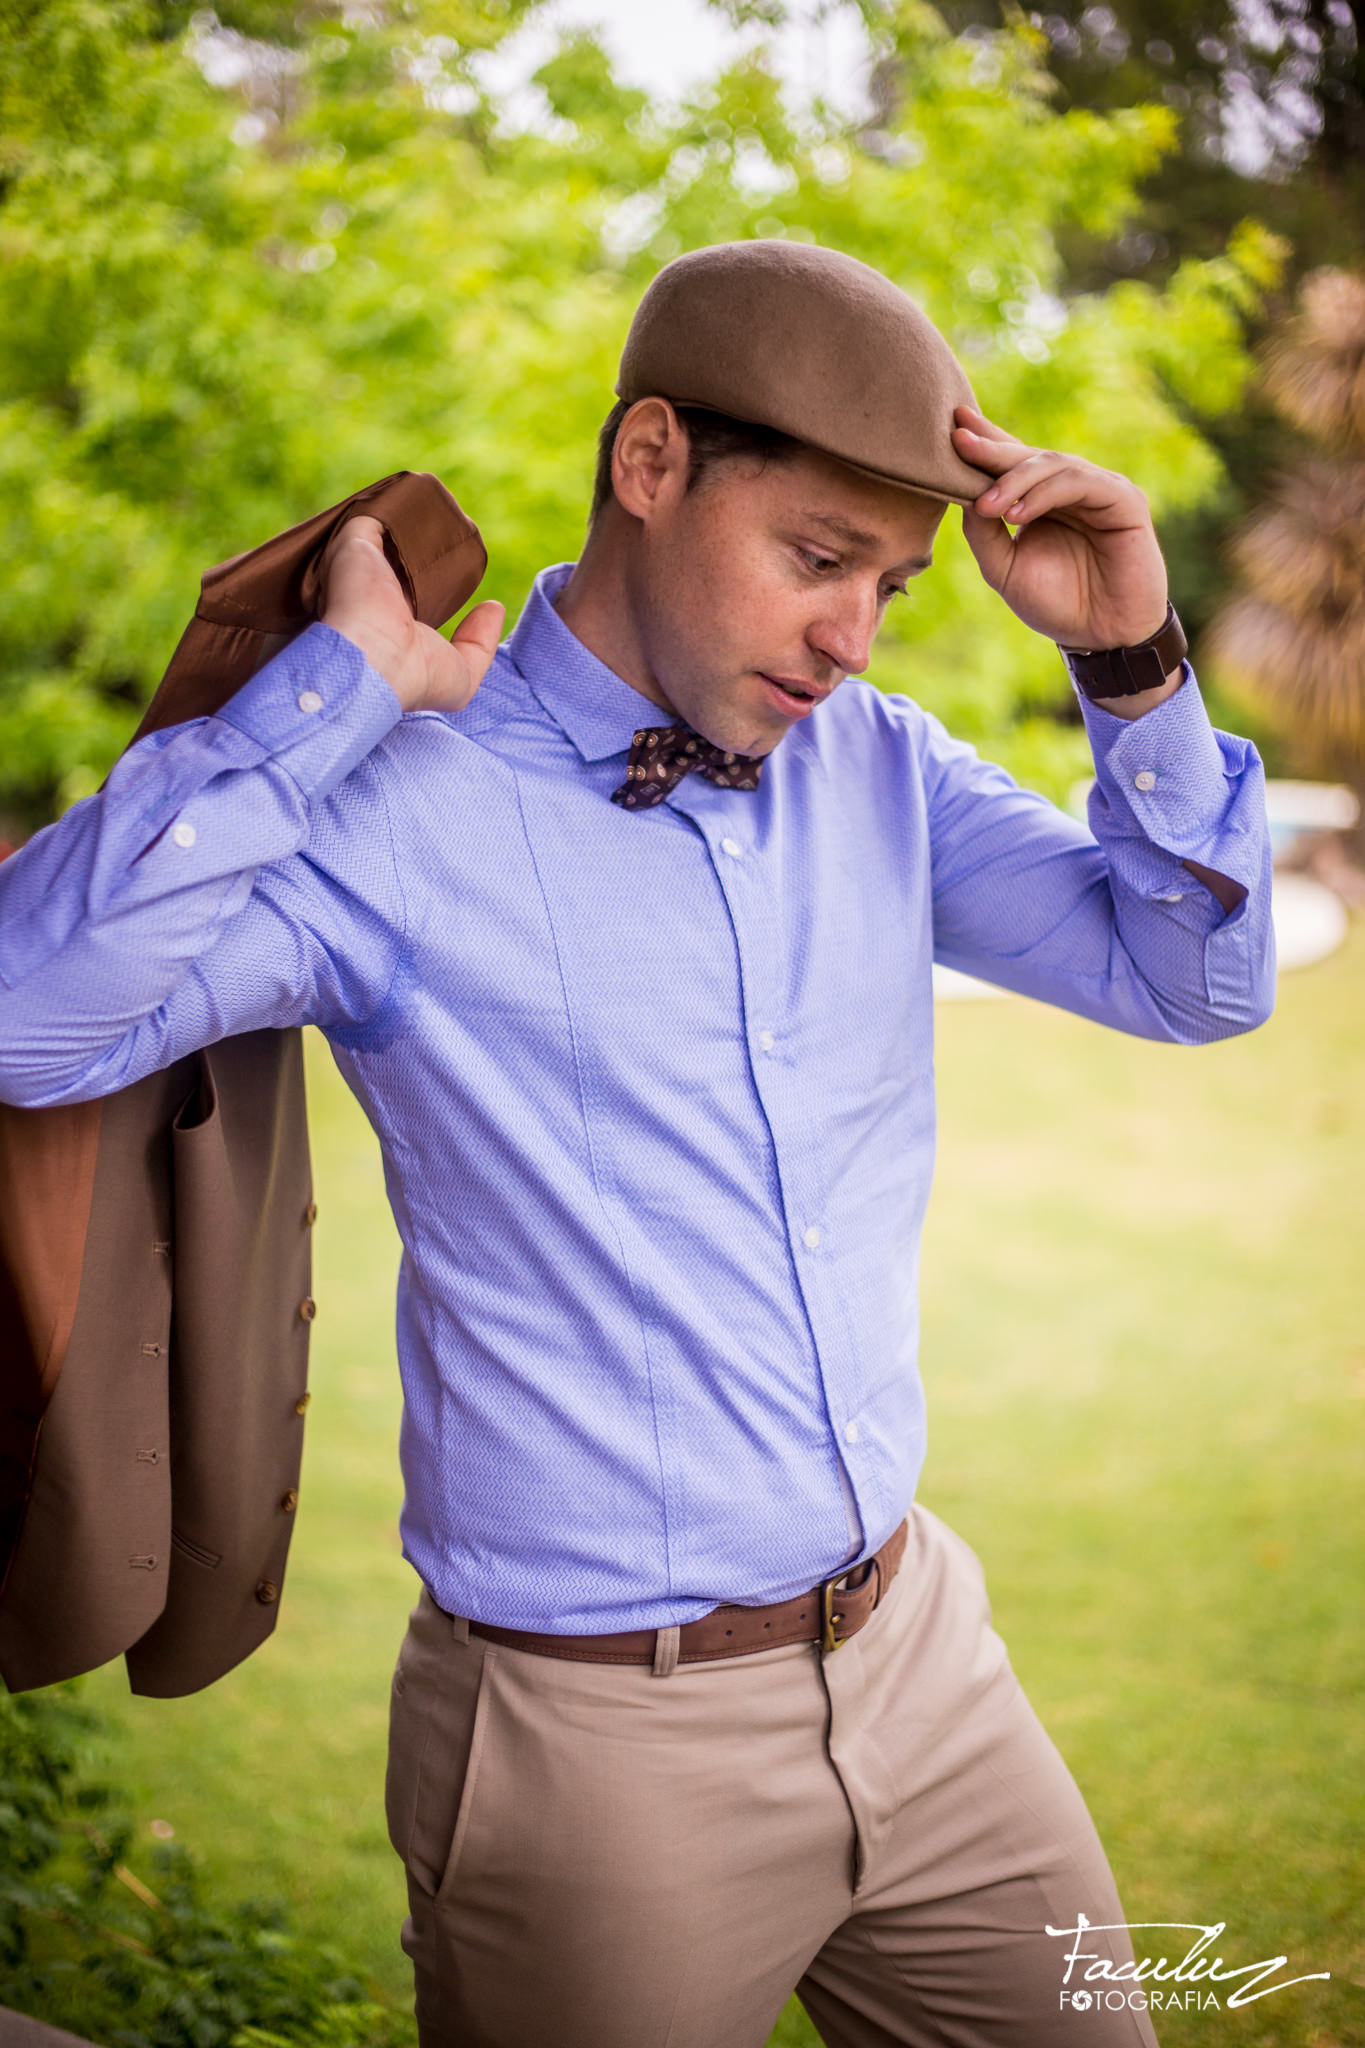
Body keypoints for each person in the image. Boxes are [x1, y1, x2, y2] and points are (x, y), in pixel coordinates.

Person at [0, 241, 1273, 2047]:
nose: (852, 637)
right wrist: (341, 685)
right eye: (819, 563)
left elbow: (1195, 986)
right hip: (602, 1759)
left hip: (928, 1667)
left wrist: (1131, 664)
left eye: (894, 587)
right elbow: (20, 1018)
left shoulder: (881, 768)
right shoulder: (389, 807)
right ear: (651, 463)